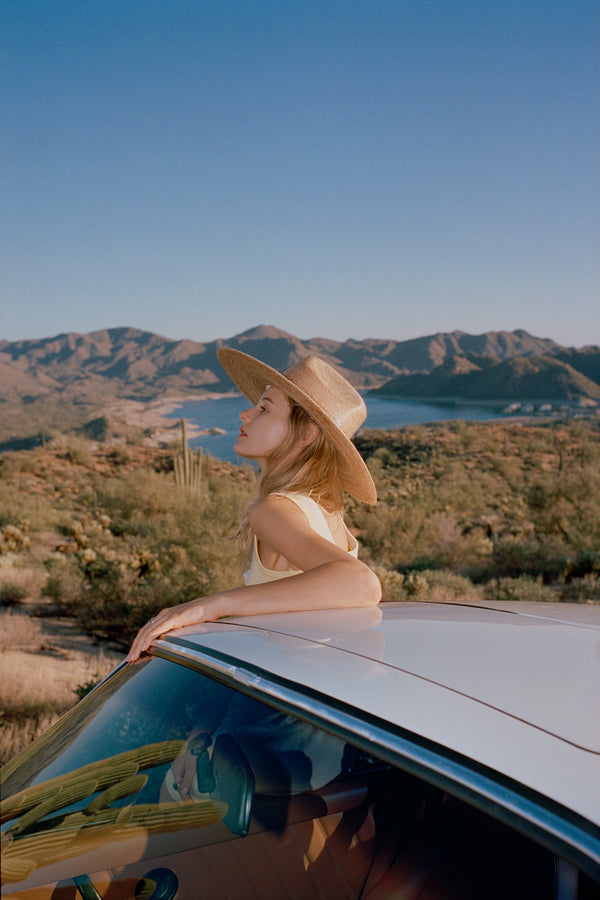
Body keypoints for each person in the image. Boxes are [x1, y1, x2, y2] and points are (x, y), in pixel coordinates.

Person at [127, 348, 380, 664]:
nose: (245, 415)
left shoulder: (274, 509)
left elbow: (361, 583)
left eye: (264, 409)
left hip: (283, 690)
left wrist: (211, 605)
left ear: (305, 434)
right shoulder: (327, 510)